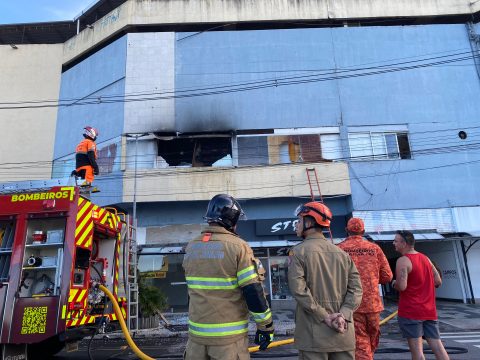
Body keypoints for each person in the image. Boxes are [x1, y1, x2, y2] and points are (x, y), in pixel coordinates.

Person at [182, 194, 274, 360]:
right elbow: (253, 291)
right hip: (228, 344)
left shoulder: (192, 246)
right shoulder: (238, 247)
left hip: (195, 342)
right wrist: (266, 327)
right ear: (232, 221)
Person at [288, 202, 363, 360]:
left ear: (309, 223)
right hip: (343, 332)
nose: (296, 225)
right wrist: (343, 314)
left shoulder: (298, 252)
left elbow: (299, 290)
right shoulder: (342, 254)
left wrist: (324, 316)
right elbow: (356, 290)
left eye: (299, 221)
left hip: (313, 336)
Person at [338, 218, 393, 360]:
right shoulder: (375, 248)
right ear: (363, 231)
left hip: (351, 305)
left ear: (347, 230)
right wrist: (372, 279)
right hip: (373, 305)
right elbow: (387, 276)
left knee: (360, 344)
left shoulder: (339, 249)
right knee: (371, 341)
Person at [393, 230, 450, 360]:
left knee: (417, 353)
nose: (393, 243)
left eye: (396, 241)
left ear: (404, 243)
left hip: (411, 312)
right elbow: (438, 281)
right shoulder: (426, 258)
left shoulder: (403, 261)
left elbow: (402, 286)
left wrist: (394, 283)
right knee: (438, 347)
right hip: (429, 311)